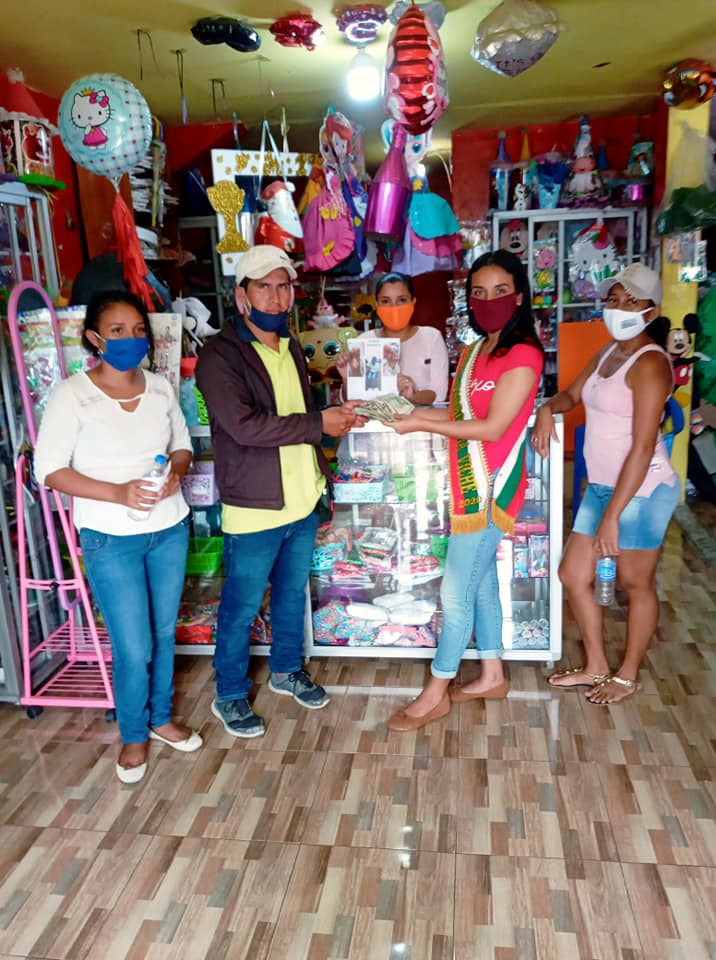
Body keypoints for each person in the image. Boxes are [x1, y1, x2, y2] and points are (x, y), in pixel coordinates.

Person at [34, 290, 201, 783]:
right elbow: (50, 470)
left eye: (138, 330)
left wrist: (175, 473)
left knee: (164, 633)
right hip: (109, 538)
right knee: (133, 645)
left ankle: (160, 718)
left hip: (168, 528)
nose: (131, 338)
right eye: (117, 331)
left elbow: (182, 446)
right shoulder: (72, 395)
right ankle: (133, 734)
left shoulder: (159, 388)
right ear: (94, 338)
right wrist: (118, 492)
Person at [196, 245, 361, 738]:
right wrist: (318, 424)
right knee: (241, 606)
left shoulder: (289, 345)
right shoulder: (220, 355)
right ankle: (229, 694)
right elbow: (245, 426)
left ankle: (287, 670)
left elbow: (301, 414)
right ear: (241, 295)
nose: (274, 296)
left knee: (291, 595)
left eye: (282, 286)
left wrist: (333, 421)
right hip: (255, 506)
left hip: (301, 499)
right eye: (263, 287)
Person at [384, 250, 544, 730]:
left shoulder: (524, 354)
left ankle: (437, 691)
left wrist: (419, 423)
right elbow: (457, 415)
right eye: (479, 293)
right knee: (481, 583)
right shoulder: (475, 353)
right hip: (465, 485)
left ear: (519, 296)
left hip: (492, 490)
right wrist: (408, 413)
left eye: (500, 291)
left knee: (455, 595)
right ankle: (492, 674)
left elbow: (493, 428)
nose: (489, 301)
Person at [532, 263, 679, 704]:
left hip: (642, 491)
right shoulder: (606, 353)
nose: (619, 308)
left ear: (652, 311)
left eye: (631, 301)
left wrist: (613, 516)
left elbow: (642, 447)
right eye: (614, 299)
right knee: (573, 574)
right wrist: (546, 409)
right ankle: (595, 665)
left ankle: (627, 675)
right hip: (601, 486)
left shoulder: (651, 364)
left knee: (635, 583)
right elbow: (571, 395)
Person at [337, 272, 449, 404]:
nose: (394, 307)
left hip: (421, 416)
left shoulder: (431, 337)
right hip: (374, 417)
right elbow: (351, 400)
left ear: (413, 301)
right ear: (377, 304)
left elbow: (439, 394)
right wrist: (347, 378)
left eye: (402, 300)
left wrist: (413, 396)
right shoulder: (364, 341)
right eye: (385, 301)